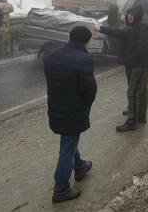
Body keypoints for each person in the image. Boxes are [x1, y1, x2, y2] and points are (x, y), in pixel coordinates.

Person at [44, 26, 97, 203]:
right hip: (73, 110)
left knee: (69, 139)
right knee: (67, 145)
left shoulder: (52, 55)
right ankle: (61, 189)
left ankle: (80, 166)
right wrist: (86, 105)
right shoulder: (84, 59)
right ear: (86, 41)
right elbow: (89, 89)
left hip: (56, 108)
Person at [93, 4, 148, 132]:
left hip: (139, 65)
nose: (130, 17)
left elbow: (120, 34)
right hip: (136, 65)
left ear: (137, 16)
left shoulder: (140, 28)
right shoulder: (133, 27)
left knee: (133, 93)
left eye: (132, 15)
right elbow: (120, 33)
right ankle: (139, 114)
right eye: (128, 14)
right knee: (140, 90)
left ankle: (132, 121)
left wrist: (100, 28)